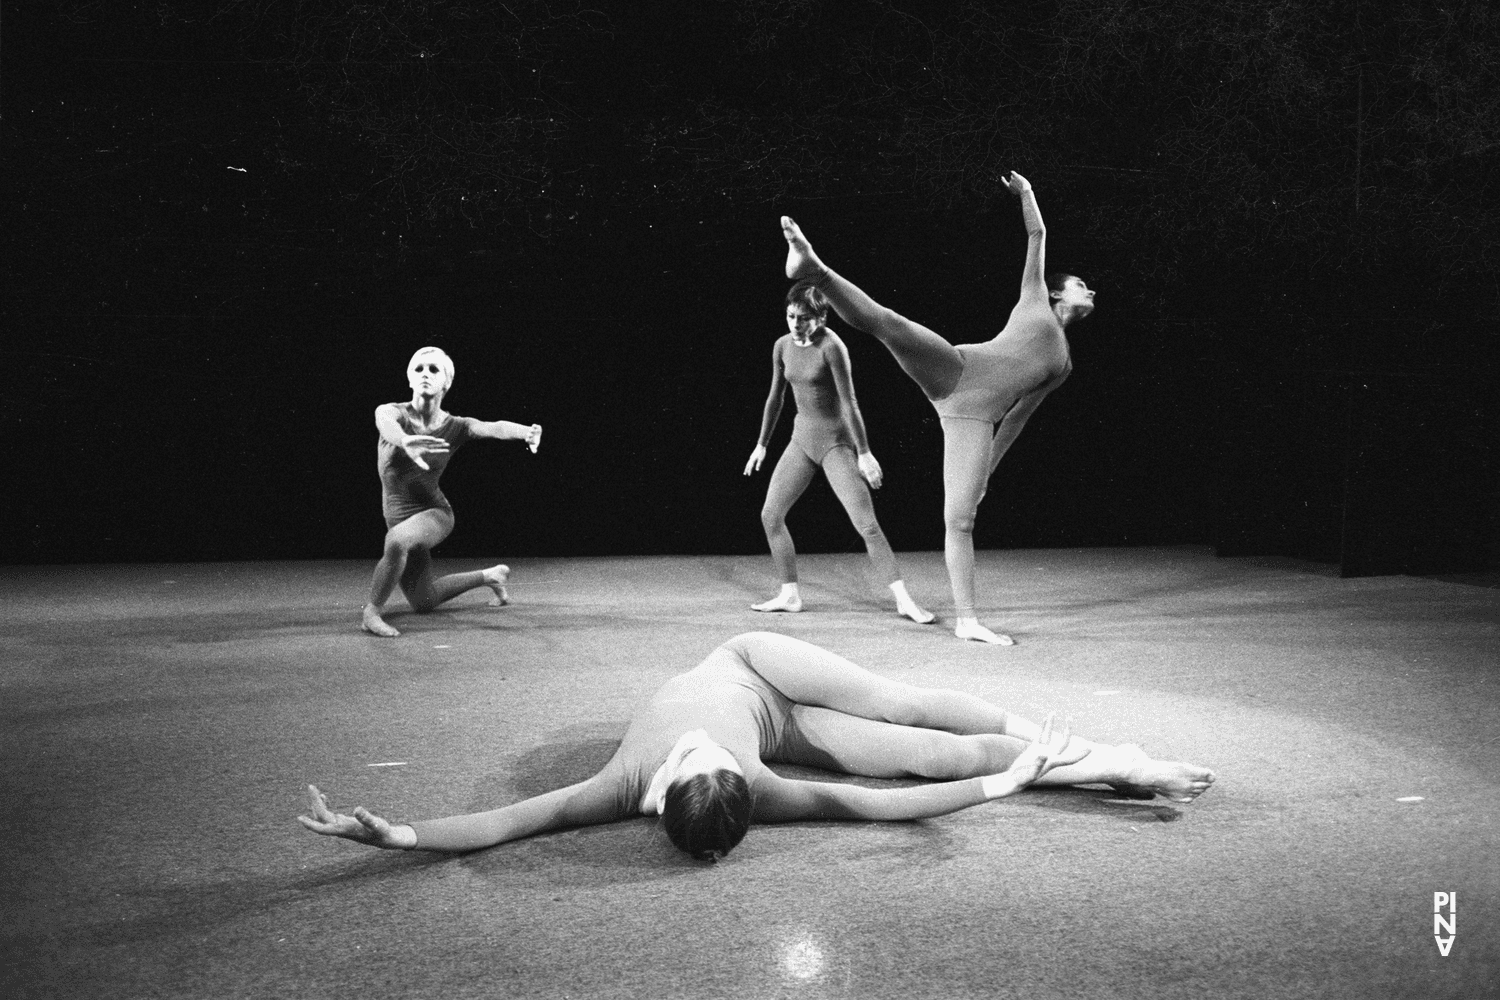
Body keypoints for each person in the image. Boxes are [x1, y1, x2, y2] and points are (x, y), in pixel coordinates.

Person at [300, 631, 1214, 860]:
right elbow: (881, 805)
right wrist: (1002, 788)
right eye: (713, 761)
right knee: (929, 757)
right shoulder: (743, 789)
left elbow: (505, 822)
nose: (706, 749)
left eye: (712, 761)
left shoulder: (622, 782)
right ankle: (1113, 764)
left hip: (755, 662)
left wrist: (399, 834)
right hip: (785, 725)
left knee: (903, 705)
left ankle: (1083, 747)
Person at [780, 171, 1095, 644]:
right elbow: (1037, 233)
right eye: (1081, 285)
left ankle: (967, 621)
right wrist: (1027, 194)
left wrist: (987, 469)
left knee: (960, 519)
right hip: (956, 368)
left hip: (974, 419)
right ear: (1056, 292)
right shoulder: (1034, 298)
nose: (1090, 292)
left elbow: (1018, 416)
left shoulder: (1064, 364)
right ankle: (814, 270)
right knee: (890, 324)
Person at [743, 281, 934, 623]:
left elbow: (850, 404)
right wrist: (762, 444)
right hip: (802, 440)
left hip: (835, 442)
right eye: (790, 316)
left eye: (804, 318)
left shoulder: (833, 348)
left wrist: (864, 453)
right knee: (770, 514)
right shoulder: (782, 346)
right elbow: (776, 399)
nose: (795, 324)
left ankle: (904, 600)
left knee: (866, 525)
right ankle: (789, 594)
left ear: (821, 317)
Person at [361, 346, 542, 638]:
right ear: (408, 378)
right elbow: (385, 424)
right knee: (424, 600)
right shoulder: (391, 412)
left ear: (446, 382)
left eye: (434, 369)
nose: (425, 375)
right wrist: (406, 440)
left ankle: (371, 612)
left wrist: (526, 432)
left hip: (435, 514)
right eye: (418, 369)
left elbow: (492, 427)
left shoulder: (456, 427)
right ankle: (490, 576)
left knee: (395, 541)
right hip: (398, 518)